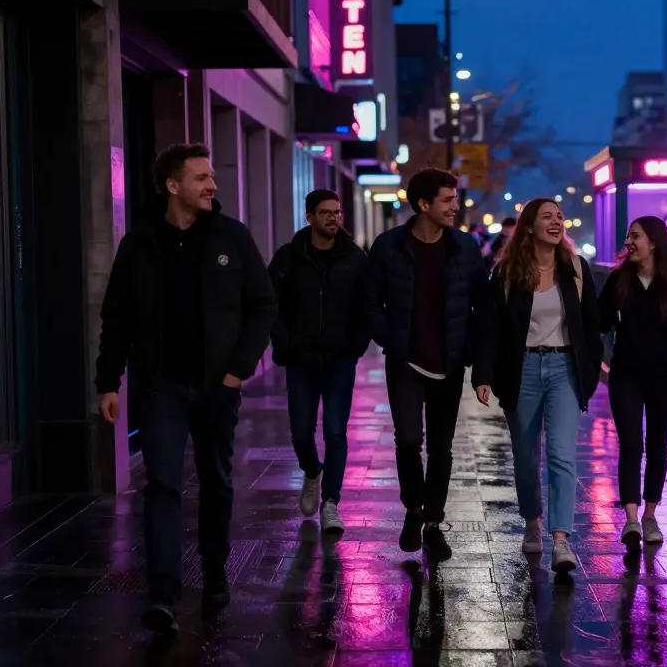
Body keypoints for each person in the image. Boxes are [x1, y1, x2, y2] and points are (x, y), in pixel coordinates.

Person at [94, 143, 277, 632]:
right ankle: (164, 593)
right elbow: (117, 317)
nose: (212, 185)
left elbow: (263, 306)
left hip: (218, 386)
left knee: (216, 480)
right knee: (163, 485)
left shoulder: (231, 238)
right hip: (161, 388)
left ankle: (215, 572)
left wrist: (237, 371)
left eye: (212, 176)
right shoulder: (140, 243)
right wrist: (108, 382)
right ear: (173, 185)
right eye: (201, 177)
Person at [363, 168, 488, 561]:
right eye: (448, 200)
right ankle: (413, 510)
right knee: (408, 441)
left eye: (455, 199)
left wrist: (469, 351)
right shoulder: (389, 246)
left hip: (448, 364)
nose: (456, 206)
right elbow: (370, 300)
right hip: (405, 361)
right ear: (424, 204)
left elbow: (481, 306)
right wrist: (390, 338)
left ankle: (433, 523)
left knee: (441, 447)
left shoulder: (465, 248)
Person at [473, 198, 602, 574]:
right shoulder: (508, 272)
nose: (556, 221)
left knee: (562, 456)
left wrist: (589, 374)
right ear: (529, 227)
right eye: (547, 216)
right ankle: (533, 521)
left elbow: (591, 328)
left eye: (559, 216)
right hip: (523, 369)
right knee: (527, 460)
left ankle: (561, 539)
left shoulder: (576, 269)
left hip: (565, 368)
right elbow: (490, 329)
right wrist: (483, 375)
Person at [268, 189, 369, 535]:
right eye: (325, 213)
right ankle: (312, 471)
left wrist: (354, 345)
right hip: (300, 360)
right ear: (309, 216)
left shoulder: (355, 259)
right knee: (300, 432)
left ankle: (331, 503)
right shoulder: (288, 257)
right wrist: (285, 342)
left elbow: (367, 306)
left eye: (337, 212)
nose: (333, 218)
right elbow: (270, 305)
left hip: (340, 359)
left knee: (336, 431)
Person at [599, 216, 667, 550]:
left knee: (658, 447)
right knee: (631, 446)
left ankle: (650, 515)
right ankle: (630, 519)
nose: (628, 242)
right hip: (626, 374)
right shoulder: (619, 279)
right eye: (628, 236)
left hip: (663, 377)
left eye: (636, 236)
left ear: (654, 242)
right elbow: (598, 322)